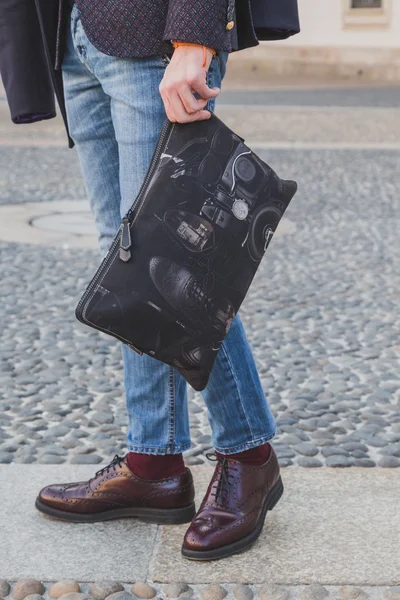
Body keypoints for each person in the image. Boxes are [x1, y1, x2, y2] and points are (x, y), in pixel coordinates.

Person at [0, 0, 299, 560]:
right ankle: (153, 463)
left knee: (168, 264)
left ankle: (250, 455)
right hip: (73, 35)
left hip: (152, 35)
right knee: (127, 261)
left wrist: (195, 37)